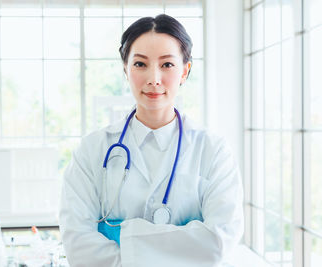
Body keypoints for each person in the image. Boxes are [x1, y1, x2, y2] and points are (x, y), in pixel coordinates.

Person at [59, 14, 243, 267]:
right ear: (125, 69)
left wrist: (124, 236)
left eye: (167, 65)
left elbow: (219, 242)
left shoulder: (213, 151)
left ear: (184, 71)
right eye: (140, 64)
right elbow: (78, 245)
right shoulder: (92, 151)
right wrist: (183, 242)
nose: (154, 78)